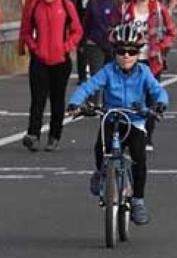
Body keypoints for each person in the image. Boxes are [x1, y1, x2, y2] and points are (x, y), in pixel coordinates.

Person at [67, 22, 169, 225]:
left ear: (138, 53)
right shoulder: (108, 71)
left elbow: (159, 91)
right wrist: (76, 103)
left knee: (139, 158)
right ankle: (100, 173)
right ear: (114, 52)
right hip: (112, 118)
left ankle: (138, 200)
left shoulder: (144, 72)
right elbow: (88, 86)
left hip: (135, 120)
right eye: (121, 51)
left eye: (131, 51)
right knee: (99, 148)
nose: (126, 56)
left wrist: (159, 105)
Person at [19, 0, 83, 152]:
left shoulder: (65, 4)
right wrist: (34, 47)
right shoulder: (34, 5)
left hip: (60, 61)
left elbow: (77, 30)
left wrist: (66, 46)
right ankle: (33, 135)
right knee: (37, 99)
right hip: (39, 60)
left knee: (57, 100)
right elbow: (25, 30)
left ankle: (55, 135)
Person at [120, 0, 176, 81]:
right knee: (133, 95)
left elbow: (172, 32)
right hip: (131, 59)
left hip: (152, 59)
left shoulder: (159, 8)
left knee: (152, 95)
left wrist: (160, 46)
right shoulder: (125, 8)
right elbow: (114, 31)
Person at [81, 0, 119, 99]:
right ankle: (94, 102)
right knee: (96, 74)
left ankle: (110, 102)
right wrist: (83, 41)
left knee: (111, 75)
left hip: (113, 45)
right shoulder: (93, 3)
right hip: (95, 43)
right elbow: (86, 24)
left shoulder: (117, 2)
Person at [69, 0, 98, 84]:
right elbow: (72, 2)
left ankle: (95, 73)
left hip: (94, 21)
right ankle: (82, 77)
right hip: (80, 19)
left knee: (94, 48)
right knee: (81, 49)